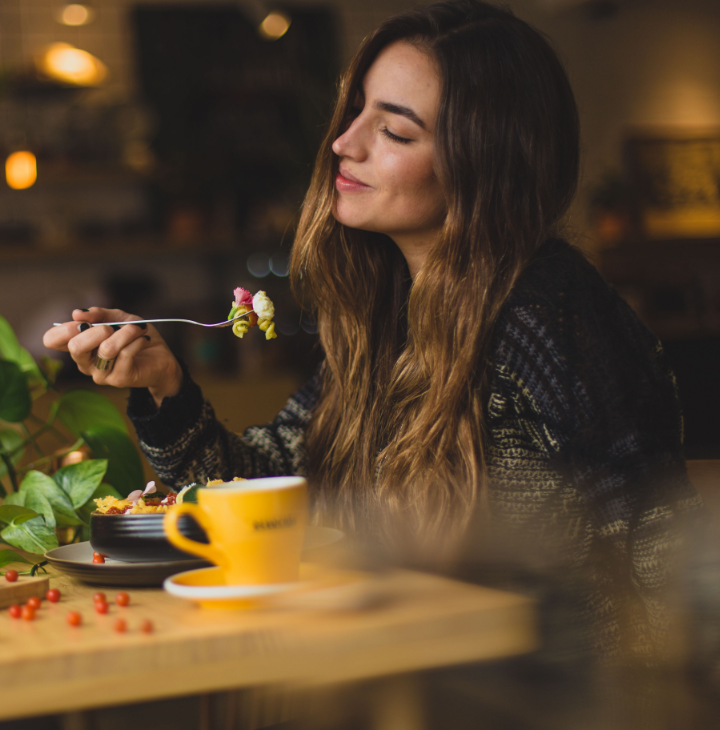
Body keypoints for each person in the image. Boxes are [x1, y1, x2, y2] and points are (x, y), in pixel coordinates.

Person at [44, 0, 702, 662]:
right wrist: (165, 385)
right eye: (357, 109)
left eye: (396, 132)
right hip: (417, 674)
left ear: (485, 165)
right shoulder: (393, 318)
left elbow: (657, 552)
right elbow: (271, 490)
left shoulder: (548, 317)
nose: (343, 142)